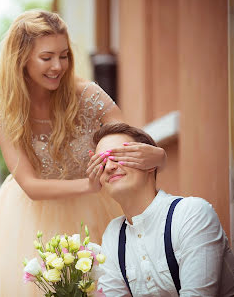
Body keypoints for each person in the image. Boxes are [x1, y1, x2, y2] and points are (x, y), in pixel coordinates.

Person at [0, 10, 166, 296]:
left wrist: (157, 156)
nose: (58, 66)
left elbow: (132, 142)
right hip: (30, 217)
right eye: (47, 57)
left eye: (64, 55)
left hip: (98, 210)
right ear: (21, 59)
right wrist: (89, 184)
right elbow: (31, 185)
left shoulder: (89, 96)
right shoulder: (1, 109)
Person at [93, 123, 234, 296]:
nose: (109, 167)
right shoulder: (113, 234)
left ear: (150, 163)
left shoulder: (192, 213)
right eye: (102, 162)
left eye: (119, 156)